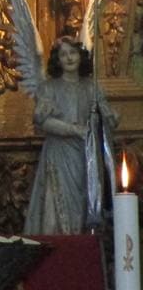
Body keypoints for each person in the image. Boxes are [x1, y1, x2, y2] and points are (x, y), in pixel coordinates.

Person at [24, 36, 119, 234]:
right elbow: (43, 121)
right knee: (56, 204)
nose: (69, 58)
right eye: (63, 54)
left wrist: (109, 119)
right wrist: (74, 130)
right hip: (59, 155)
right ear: (57, 60)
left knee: (85, 202)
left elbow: (104, 115)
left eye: (73, 53)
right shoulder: (49, 88)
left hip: (87, 155)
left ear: (80, 56)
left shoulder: (92, 87)